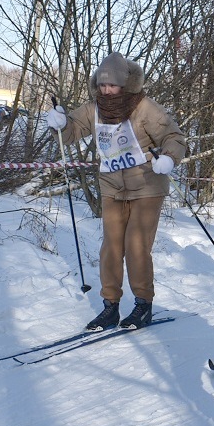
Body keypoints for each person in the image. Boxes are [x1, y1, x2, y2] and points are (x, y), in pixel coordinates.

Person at [44, 51, 186, 331]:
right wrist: (60, 124)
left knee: (136, 245)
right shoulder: (94, 108)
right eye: (102, 85)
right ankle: (110, 307)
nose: (107, 91)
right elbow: (72, 131)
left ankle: (143, 304)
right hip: (112, 187)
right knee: (110, 248)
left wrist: (169, 157)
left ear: (125, 85)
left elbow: (174, 136)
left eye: (112, 85)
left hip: (147, 185)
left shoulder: (144, 107)